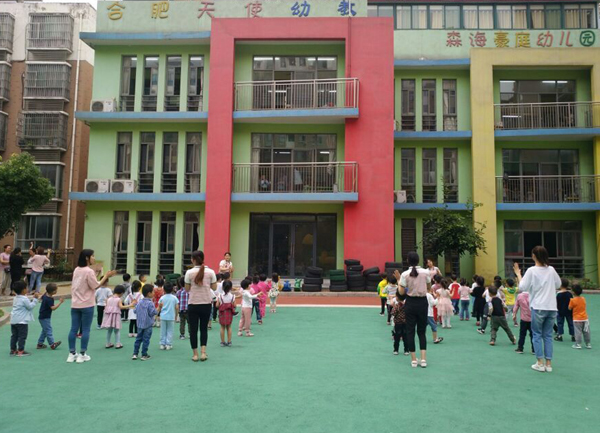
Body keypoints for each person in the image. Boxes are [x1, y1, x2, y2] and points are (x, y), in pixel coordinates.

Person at [514, 245, 561, 373]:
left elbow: (522, 287)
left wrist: (518, 274)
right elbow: (558, 284)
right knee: (548, 335)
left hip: (538, 307)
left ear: (533, 256)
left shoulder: (531, 270)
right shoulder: (551, 270)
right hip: (551, 307)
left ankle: (540, 363)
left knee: (537, 334)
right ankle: (548, 364)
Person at [67, 249, 117, 364]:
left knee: (73, 329)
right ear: (87, 258)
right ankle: (82, 354)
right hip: (87, 304)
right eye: (92, 256)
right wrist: (106, 276)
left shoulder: (76, 270)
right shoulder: (88, 271)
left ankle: (71, 354)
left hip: (75, 304)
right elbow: (95, 285)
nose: (94, 258)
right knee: (85, 329)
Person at [394, 252, 431, 368]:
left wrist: (399, 280)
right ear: (418, 260)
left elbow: (401, 293)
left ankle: (414, 360)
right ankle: (423, 359)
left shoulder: (405, 274)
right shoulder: (426, 272)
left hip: (410, 303)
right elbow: (429, 287)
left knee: (410, 331)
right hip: (422, 302)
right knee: (422, 331)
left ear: (407, 261)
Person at [185, 250, 217, 362]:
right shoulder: (211, 272)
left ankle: (195, 354)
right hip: (206, 304)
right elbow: (214, 288)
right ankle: (203, 353)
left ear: (193, 260)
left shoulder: (189, 272)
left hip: (193, 304)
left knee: (193, 330)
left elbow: (187, 289)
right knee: (204, 329)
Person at [10, 281, 40, 357]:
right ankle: (21, 351)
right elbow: (30, 307)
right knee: (22, 336)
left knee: (14, 336)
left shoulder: (15, 298)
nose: (27, 289)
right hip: (21, 321)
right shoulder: (24, 299)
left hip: (13, 320)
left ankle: (13, 350)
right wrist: (35, 299)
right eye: (26, 288)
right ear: (23, 290)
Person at [102, 285, 134, 349]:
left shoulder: (109, 299)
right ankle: (118, 343)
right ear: (121, 293)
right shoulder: (119, 299)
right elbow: (121, 307)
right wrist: (130, 305)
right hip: (116, 317)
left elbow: (106, 307)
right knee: (117, 331)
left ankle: (108, 343)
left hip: (109, 317)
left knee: (109, 331)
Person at [132, 284, 157, 361]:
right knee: (146, 340)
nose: (154, 293)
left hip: (139, 324)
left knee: (138, 339)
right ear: (149, 293)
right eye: (153, 291)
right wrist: (158, 308)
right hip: (148, 325)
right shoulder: (150, 303)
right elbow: (152, 313)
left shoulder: (139, 302)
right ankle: (144, 354)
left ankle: (135, 354)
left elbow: (135, 311)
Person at [37, 283, 63, 350]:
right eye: (56, 290)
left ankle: (40, 344)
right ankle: (52, 344)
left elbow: (40, 298)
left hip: (42, 316)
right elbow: (53, 308)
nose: (57, 291)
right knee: (48, 330)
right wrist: (60, 302)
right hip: (45, 317)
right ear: (53, 291)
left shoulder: (45, 295)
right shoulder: (50, 299)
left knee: (45, 330)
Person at [157, 282, 179, 350]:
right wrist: (176, 316)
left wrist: (157, 315)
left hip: (163, 317)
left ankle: (162, 344)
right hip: (171, 317)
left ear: (164, 290)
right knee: (170, 331)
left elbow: (159, 307)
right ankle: (168, 344)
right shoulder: (174, 298)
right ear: (172, 289)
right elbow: (177, 307)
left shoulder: (162, 298)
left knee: (162, 330)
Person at [569, 284, 591, 350]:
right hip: (585, 318)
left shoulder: (572, 300)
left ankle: (578, 344)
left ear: (573, 292)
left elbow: (569, 308)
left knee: (578, 332)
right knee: (586, 331)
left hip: (577, 319)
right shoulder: (583, 299)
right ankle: (588, 343)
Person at [513, 290, 534, 355]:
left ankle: (520, 348)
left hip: (523, 319)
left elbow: (516, 306)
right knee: (533, 335)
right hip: (532, 319)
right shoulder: (533, 295)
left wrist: (514, 314)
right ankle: (534, 349)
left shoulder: (519, 296)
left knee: (522, 334)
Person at [217, 280, 236, 346]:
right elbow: (234, 305)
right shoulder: (232, 296)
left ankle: (222, 342)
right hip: (229, 313)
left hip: (222, 313)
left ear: (222, 287)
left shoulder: (220, 296)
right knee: (229, 327)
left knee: (222, 327)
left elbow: (217, 305)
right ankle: (229, 341)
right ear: (231, 288)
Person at [555, 278, 574, 342]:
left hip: (560, 311)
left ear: (560, 285)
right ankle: (573, 335)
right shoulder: (569, 294)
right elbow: (572, 302)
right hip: (569, 311)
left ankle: (560, 335)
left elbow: (556, 303)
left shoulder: (558, 294)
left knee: (560, 323)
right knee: (571, 323)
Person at [391, 291, 409, 356]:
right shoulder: (407, 305)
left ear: (397, 298)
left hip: (398, 323)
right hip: (405, 323)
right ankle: (406, 350)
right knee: (405, 337)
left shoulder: (397, 306)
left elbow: (393, 313)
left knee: (397, 337)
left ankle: (396, 350)